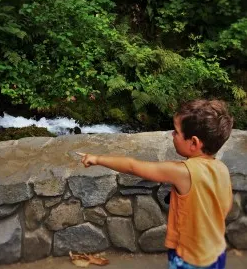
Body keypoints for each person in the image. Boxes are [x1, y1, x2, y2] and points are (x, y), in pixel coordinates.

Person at [77, 99, 233, 269]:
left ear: (194, 143)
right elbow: (226, 206)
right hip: (216, 251)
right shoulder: (221, 168)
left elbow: (133, 167)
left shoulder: (183, 172)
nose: (172, 135)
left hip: (191, 258)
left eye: (176, 132)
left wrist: (97, 158)